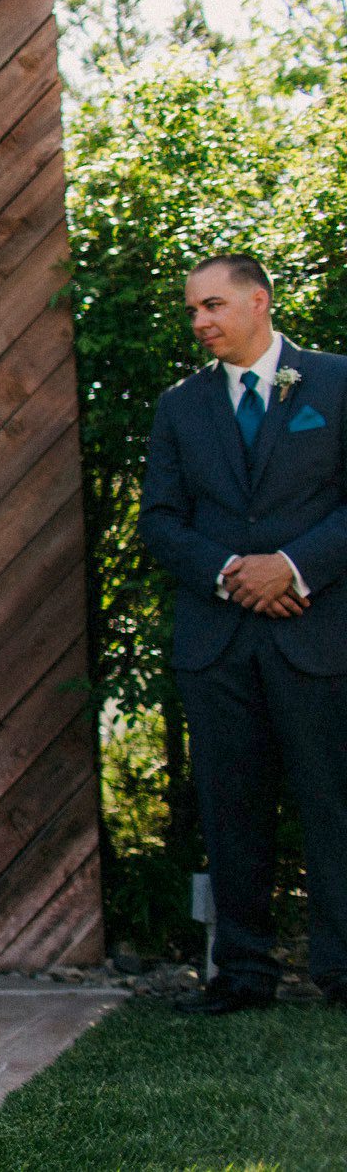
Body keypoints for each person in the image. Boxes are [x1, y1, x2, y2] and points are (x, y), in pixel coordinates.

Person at [140, 253, 347, 1015]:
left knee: (332, 801)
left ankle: (341, 969)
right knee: (231, 808)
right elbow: (160, 520)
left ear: (259, 301)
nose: (200, 321)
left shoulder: (335, 382)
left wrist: (292, 566)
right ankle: (243, 973)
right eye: (193, 309)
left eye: (214, 305)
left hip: (318, 632)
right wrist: (234, 570)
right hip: (218, 642)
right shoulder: (181, 406)